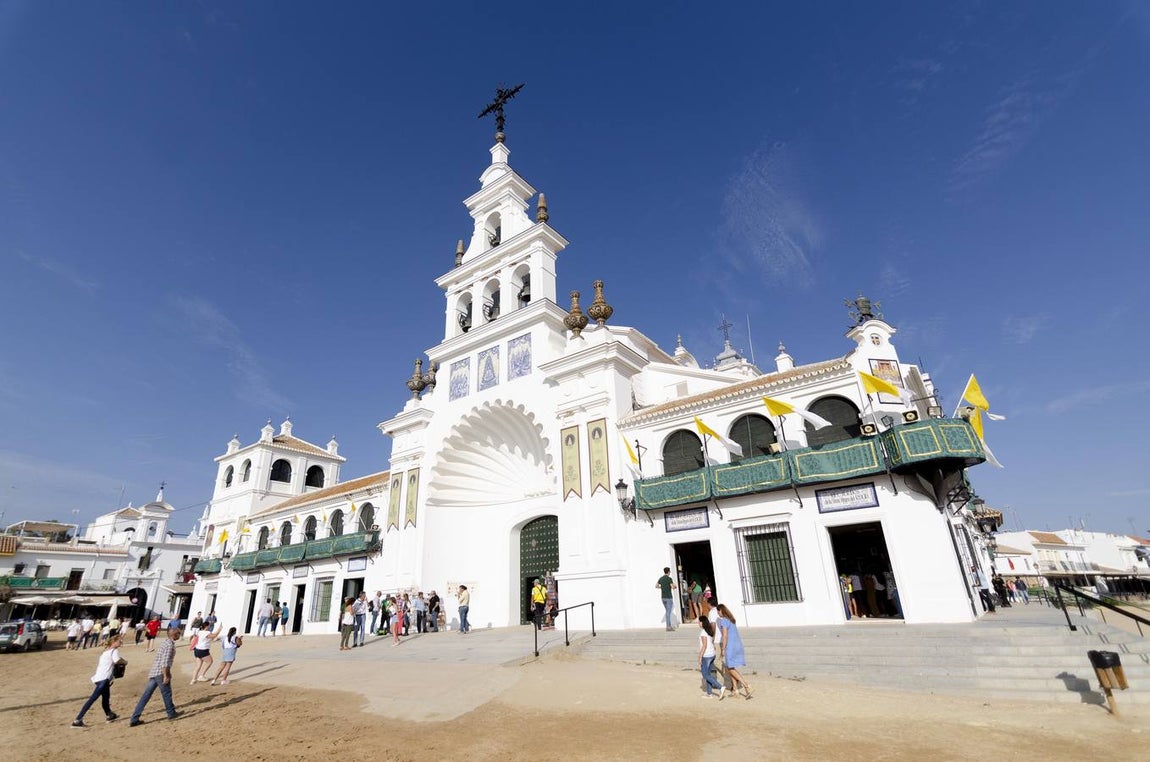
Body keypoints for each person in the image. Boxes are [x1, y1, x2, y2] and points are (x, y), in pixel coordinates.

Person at [129, 624, 182, 727]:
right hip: (160, 672)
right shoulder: (169, 645)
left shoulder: (164, 643)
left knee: (146, 695)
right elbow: (165, 662)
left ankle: (135, 717)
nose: (179, 636)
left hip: (154, 671)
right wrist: (166, 675)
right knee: (166, 693)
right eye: (178, 634)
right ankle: (171, 713)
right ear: (175, 635)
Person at [72, 634, 126, 727]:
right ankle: (77, 720)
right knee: (92, 699)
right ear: (114, 642)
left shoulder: (105, 652)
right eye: (119, 641)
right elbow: (117, 661)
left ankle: (109, 715)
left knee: (106, 698)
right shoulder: (114, 650)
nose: (120, 643)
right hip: (104, 679)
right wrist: (125, 662)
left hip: (100, 678)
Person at [716, 604, 752, 699]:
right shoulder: (731, 620)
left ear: (721, 611)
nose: (717, 613)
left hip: (730, 646)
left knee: (730, 668)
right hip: (737, 644)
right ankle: (735, 690)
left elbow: (725, 636)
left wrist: (723, 649)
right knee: (730, 667)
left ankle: (746, 684)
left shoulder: (724, 621)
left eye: (718, 611)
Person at [696, 617, 724, 699]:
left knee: (705, 674)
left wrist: (700, 656)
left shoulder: (703, 632)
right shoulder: (709, 631)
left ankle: (720, 687)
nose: (698, 623)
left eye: (699, 622)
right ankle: (709, 693)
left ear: (702, 623)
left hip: (707, 655)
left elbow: (704, 646)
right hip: (712, 654)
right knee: (708, 674)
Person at [656, 567, 677, 631]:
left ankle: (669, 626)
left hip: (663, 598)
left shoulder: (661, 578)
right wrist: (675, 586)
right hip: (668, 597)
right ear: (668, 572)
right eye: (670, 571)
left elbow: (656, 586)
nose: (670, 572)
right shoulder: (669, 579)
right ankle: (668, 627)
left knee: (667, 612)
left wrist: (662, 587)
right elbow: (672, 587)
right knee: (668, 612)